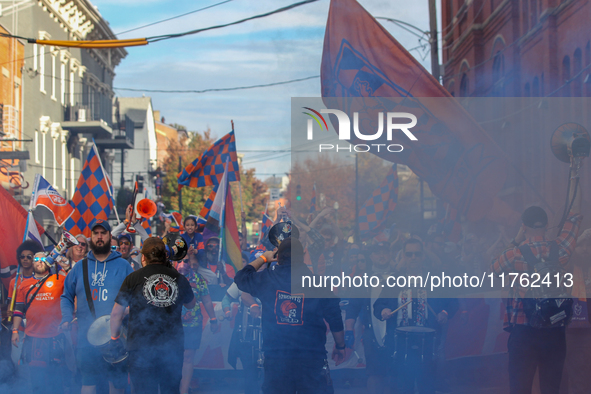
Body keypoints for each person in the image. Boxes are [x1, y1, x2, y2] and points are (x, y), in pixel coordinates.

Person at [491, 172, 582, 394]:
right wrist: (574, 173)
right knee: (551, 388)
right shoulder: (559, 249)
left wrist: (515, 239)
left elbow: (493, 267)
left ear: (524, 226)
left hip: (524, 331)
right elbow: (574, 216)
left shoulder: (513, 255)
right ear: (546, 225)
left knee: (520, 388)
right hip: (555, 328)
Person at [235, 237, 346, 394]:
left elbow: (241, 278)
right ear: (303, 256)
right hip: (311, 358)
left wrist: (263, 258)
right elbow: (335, 317)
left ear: (278, 257)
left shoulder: (267, 279)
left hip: (276, 358)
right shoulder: (318, 283)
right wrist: (340, 346)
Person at [110, 237, 195, 394]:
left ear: (144, 257)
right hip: (172, 349)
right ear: (165, 255)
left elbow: (116, 314)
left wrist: (114, 338)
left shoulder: (133, 278)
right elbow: (191, 304)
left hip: (140, 349)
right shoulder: (179, 278)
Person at [374, 238, 458, 394]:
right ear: (404, 256)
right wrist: (383, 310)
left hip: (428, 341)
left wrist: (444, 313)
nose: (413, 257)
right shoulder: (394, 279)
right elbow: (378, 304)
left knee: (427, 385)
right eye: (409, 254)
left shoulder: (436, 278)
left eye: (417, 254)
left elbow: (453, 302)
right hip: (399, 341)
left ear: (423, 256)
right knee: (401, 386)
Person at [60, 218, 134, 394]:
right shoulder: (79, 267)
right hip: (87, 338)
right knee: (88, 384)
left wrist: (125, 312)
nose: (99, 237)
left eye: (103, 233)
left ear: (110, 236)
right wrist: (66, 318)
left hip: (117, 338)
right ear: (91, 237)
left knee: (116, 386)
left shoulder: (124, 266)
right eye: (96, 233)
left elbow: (137, 298)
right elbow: (66, 296)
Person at [11, 252, 67, 394]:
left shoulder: (60, 279)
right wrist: (15, 330)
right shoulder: (24, 284)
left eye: (43, 259)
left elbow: (72, 294)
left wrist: (61, 261)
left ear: (48, 262)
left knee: (57, 380)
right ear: (32, 263)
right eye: (36, 259)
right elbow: (18, 309)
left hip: (55, 335)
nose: (40, 261)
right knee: (37, 381)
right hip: (33, 337)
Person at [175, 259, 217, 394]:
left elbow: (207, 300)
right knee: (172, 356)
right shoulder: (168, 277)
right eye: (180, 260)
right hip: (172, 324)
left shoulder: (198, 279)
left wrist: (214, 319)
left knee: (187, 356)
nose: (183, 263)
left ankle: (184, 390)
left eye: (186, 260)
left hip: (192, 323)